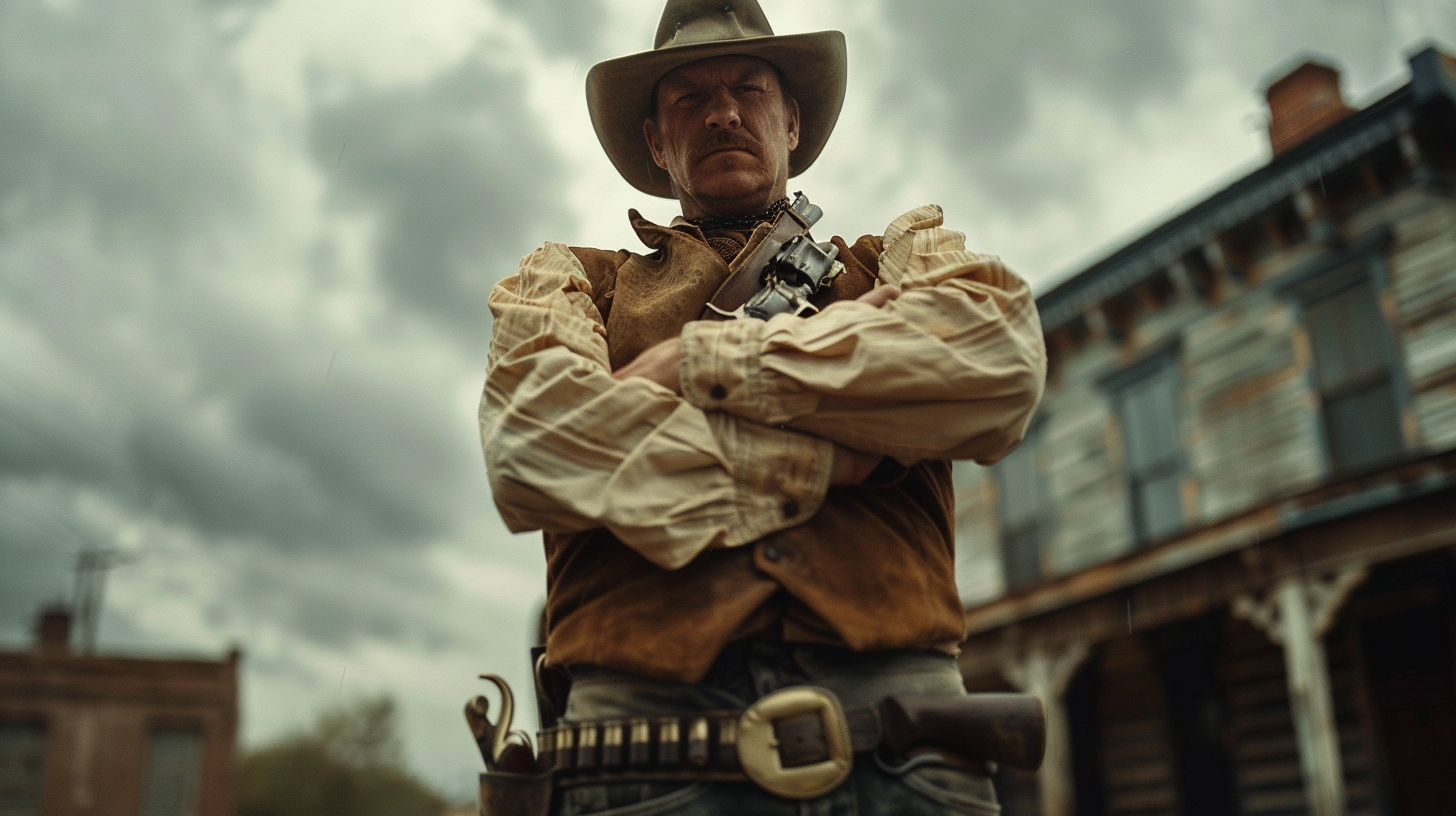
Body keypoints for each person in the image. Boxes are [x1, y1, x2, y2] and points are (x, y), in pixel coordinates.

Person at [480, 1, 1046, 812]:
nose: (722, 112)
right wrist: (840, 451)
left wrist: (691, 363)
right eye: (688, 99)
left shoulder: (904, 258)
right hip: (642, 755)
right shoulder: (567, 280)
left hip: (906, 748)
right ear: (655, 141)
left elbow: (998, 365)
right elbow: (533, 447)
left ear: (791, 124)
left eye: (749, 88)